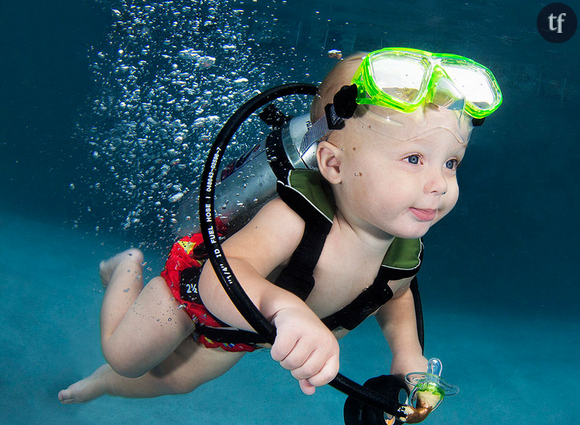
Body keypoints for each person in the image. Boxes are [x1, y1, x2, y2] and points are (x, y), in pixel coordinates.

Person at [58, 48, 502, 414]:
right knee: (127, 358)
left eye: (451, 163)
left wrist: (407, 357)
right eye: (413, 160)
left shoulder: (401, 249)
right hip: (189, 294)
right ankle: (126, 267)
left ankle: (101, 385)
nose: (439, 184)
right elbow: (223, 275)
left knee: (175, 381)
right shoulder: (297, 218)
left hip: (242, 333)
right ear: (333, 165)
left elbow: (398, 296)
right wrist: (285, 310)